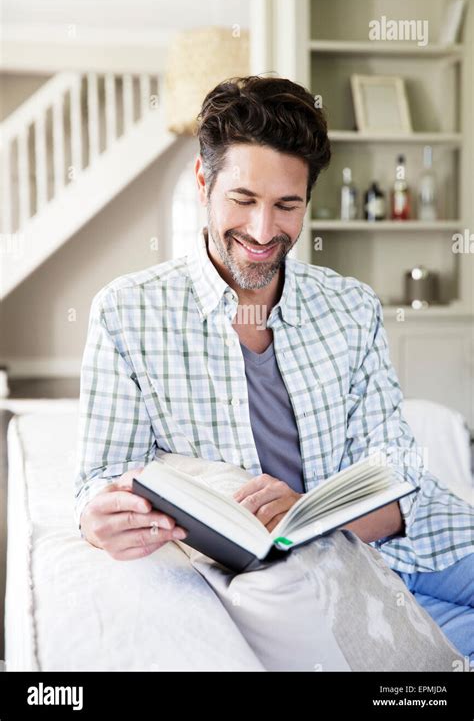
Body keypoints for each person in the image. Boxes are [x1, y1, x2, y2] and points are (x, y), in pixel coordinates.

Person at [75, 76, 473, 667]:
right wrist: (96, 522)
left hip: (422, 537)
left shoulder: (351, 305)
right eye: (242, 200)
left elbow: (401, 477)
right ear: (203, 182)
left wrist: (308, 510)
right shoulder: (128, 312)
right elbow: (99, 481)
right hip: (322, 579)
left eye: (287, 206)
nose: (264, 232)